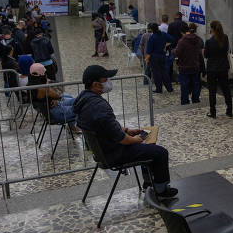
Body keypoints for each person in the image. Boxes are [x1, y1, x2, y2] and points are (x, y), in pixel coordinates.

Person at [73, 65, 177, 198]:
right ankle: (161, 191)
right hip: (114, 154)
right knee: (160, 152)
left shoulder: (85, 100)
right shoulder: (99, 107)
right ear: (95, 84)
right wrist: (139, 138)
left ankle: (149, 184)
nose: (109, 82)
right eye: (106, 79)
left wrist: (127, 130)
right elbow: (124, 140)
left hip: (103, 152)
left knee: (148, 149)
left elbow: (106, 127)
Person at [27, 63, 80, 133]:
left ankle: (72, 127)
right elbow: (58, 95)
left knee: (75, 101)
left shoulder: (30, 84)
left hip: (50, 109)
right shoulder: (42, 88)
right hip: (54, 113)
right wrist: (47, 83)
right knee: (80, 107)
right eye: (44, 72)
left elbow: (56, 95)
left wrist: (54, 98)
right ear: (41, 73)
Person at [204, 20, 233, 118]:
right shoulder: (225, 38)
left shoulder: (209, 42)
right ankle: (229, 110)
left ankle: (213, 112)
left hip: (212, 69)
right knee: (226, 89)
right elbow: (226, 50)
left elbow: (206, 55)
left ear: (212, 29)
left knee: (212, 91)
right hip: (223, 67)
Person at [173, 22, 203, 105]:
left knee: (185, 85)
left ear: (182, 32)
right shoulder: (197, 39)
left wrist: (173, 51)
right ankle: (195, 99)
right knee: (195, 84)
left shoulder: (182, 41)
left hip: (184, 66)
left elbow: (177, 53)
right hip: (195, 64)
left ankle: (185, 101)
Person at [145, 24, 174, 93]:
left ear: (151, 29)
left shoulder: (152, 37)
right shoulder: (163, 34)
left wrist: (146, 60)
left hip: (154, 57)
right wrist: (165, 46)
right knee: (164, 72)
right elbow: (172, 39)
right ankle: (169, 88)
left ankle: (159, 89)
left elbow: (149, 51)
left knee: (156, 74)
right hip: (162, 56)